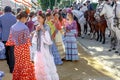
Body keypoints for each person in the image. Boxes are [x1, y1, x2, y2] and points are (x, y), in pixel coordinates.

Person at [6, 11, 36, 80]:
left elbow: (11, 40)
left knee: (18, 64)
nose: (26, 20)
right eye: (26, 18)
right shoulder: (25, 27)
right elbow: (27, 40)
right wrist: (31, 35)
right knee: (25, 64)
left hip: (16, 49)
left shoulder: (12, 27)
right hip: (24, 49)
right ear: (23, 18)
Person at [34, 11, 59, 80]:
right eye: (37, 18)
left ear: (43, 18)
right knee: (40, 66)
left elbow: (49, 41)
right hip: (39, 49)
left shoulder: (47, 27)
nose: (38, 19)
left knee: (47, 65)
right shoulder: (37, 26)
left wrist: (43, 29)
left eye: (39, 18)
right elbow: (35, 40)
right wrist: (36, 31)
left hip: (45, 50)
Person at [0, 6, 17, 73]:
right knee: (12, 52)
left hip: (4, 37)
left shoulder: (1, 17)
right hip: (13, 37)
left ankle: (8, 63)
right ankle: (12, 68)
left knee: (7, 52)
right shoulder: (14, 17)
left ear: (4, 10)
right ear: (10, 10)